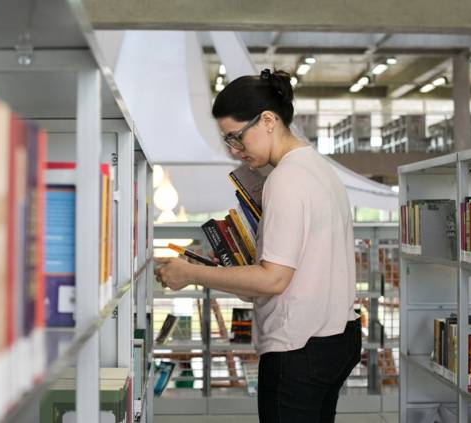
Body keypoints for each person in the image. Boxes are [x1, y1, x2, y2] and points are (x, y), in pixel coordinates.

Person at [154, 68, 360, 423]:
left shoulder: (285, 180)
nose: (235, 151)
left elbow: (273, 280)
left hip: (299, 346)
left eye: (236, 137)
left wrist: (191, 273)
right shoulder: (317, 168)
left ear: (268, 120)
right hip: (336, 336)